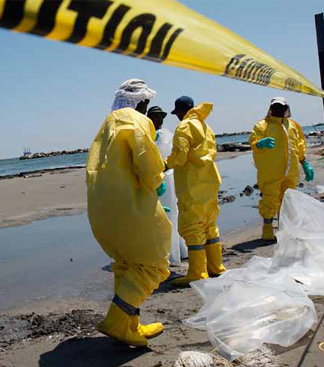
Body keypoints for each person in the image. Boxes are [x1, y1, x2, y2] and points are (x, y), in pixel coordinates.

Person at [87, 79, 172, 347]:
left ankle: (130, 325)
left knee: (126, 265)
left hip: (102, 209)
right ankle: (116, 321)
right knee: (153, 265)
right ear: (142, 102)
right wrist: (157, 184)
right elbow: (146, 161)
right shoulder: (136, 121)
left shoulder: (107, 124)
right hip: (130, 207)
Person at [165, 96, 226, 286]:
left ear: (182, 110)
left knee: (192, 226)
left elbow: (180, 156)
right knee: (209, 224)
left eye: (177, 113)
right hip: (209, 181)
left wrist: (164, 164)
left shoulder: (184, 127)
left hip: (193, 183)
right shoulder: (205, 126)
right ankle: (216, 267)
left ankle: (198, 272)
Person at [249, 97, 314, 241]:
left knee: (288, 201)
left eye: (281, 107)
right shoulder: (262, 125)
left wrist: (304, 163)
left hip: (291, 172)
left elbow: (299, 145)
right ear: (271, 108)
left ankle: (287, 230)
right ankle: (267, 230)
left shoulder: (294, 126)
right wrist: (260, 144)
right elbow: (253, 141)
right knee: (269, 200)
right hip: (271, 172)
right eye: (276, 107)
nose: (278, 109)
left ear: (287, 108)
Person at [148, 106, 188, 266]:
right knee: (158, 216)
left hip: (169, 178)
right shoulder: (147, 135)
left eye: (160, 116)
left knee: (172, 214)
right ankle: (164, 252)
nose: (158, 119)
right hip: (153, 179)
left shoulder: (168, 135)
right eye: (154, 116)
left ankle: (175, 252)